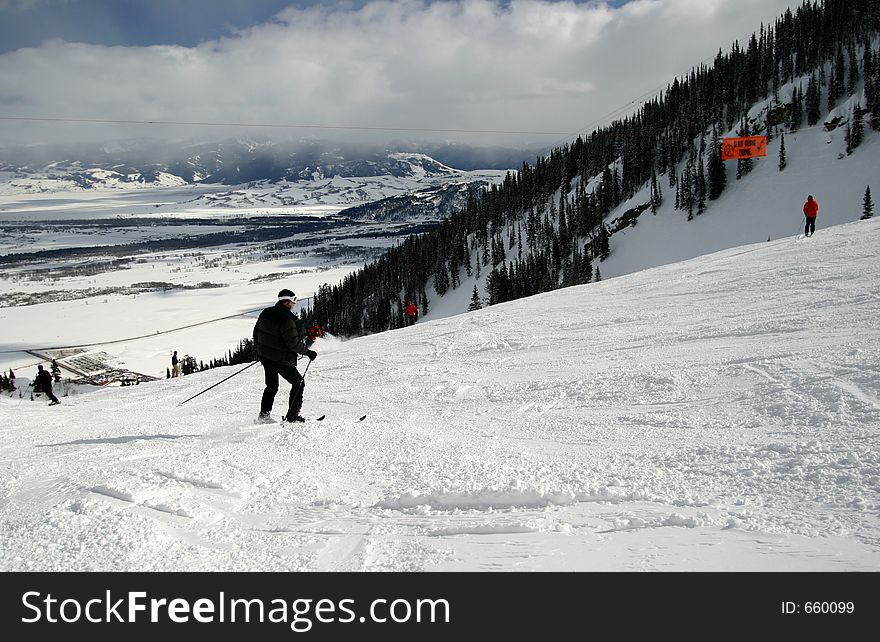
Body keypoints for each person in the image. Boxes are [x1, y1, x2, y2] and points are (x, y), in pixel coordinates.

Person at [253, 288, 317, 424]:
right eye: (293, 301)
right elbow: (293, 344)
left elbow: (256, 333)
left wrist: (262, 351)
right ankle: (292, 416)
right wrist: (308, 352)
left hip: (266, 357)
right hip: (280, 359)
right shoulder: (287, 319)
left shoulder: (266, 312)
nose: (294, 304)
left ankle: (264, 416)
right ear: (286, 302)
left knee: (271, 386)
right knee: (298, 383)